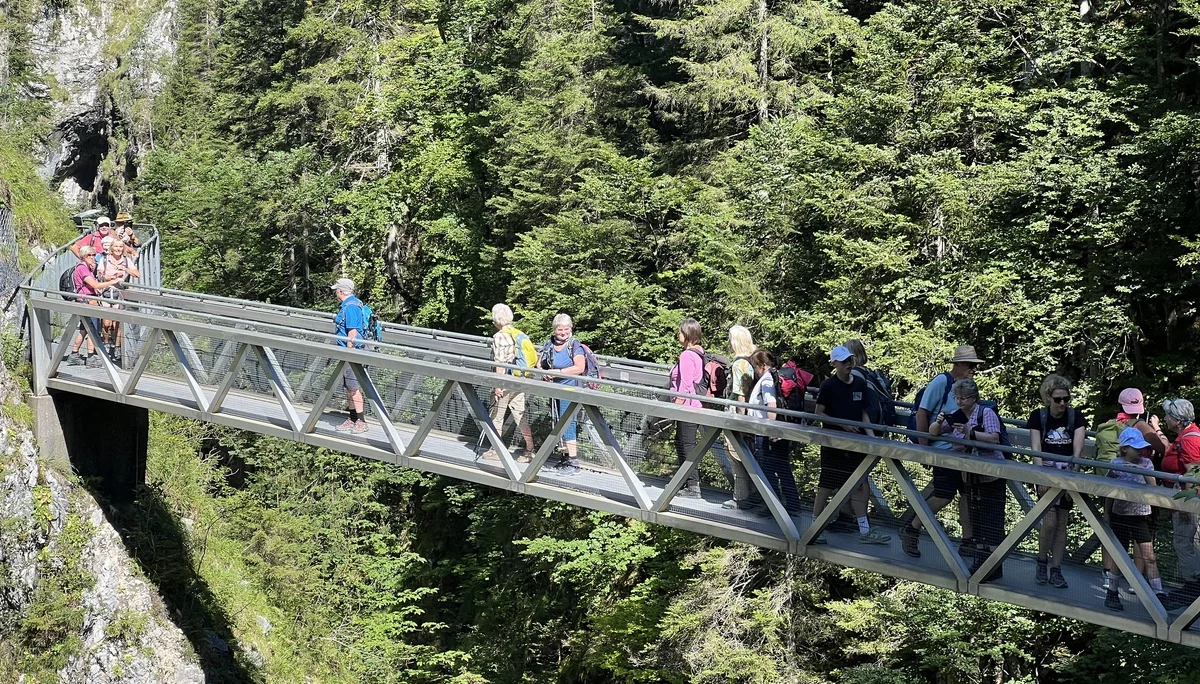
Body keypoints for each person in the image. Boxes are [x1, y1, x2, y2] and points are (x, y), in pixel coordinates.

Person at [899, 345, 983, 558]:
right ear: (958, 364)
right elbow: (922, 414)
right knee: (943, 495)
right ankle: (911, 529)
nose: (974, 369)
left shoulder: (965, 387)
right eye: (970, 365)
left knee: (966, 493)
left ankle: (967, 540)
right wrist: (924, 448)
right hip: (941, 449)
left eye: (975, 366)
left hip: (961, 450)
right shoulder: (941, 382)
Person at [929, 378, 1006, 581]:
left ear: (974, 398)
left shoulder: (986, 413)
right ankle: (981, 561)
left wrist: (970, 432)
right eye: (957, 397)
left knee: (992, 520)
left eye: (963, 398)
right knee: (976, 519)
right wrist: (937, 422)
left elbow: (994, 438)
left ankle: (995, 565)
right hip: (969, 476)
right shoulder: (956, 415)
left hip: (990, 475)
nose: (960, 401)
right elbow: (935, 433)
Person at [812, 345, 889, 545]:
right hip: (832, 442)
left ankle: (865, 530)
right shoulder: (828, 385)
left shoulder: (860, 384)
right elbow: (819, 412)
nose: (848, 364)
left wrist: (871, 437)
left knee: (857, 484)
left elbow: (864, 413)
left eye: (850, 360)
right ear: (834, 364)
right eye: (844, 361)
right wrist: (843, 424)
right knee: (826, 485)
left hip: (854, 444)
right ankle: (814, 526)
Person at [1027, 374, 1086, 589]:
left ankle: (1056, 569)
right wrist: (1040, 477)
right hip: (1047, 472)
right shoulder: (1038, 416)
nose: (1062, 404)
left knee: (1062, 524)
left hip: (1067, 473)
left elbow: (1077, 452)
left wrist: (1073, 479)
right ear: (1048, 398)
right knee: (1049, 522)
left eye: (1066, 399)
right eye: (1058, 399)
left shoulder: (1075, 417)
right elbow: (1036, 449)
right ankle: (1042, 561)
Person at [1104, 428, 1161, 612]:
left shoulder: (1147, 464)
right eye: (1135, 448)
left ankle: (1158, 594)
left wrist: (1139, 469)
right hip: (1120, 514)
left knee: (1149, 556)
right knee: (1120, 556)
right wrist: (1107, 512)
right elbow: (1107, 489)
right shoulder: (1115, 463)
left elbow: (1153, 486)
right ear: (1124, 449)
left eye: (1141, 448)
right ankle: (1112, 592)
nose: (1139, 451)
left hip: (1140, 515)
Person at [744, 350, 802, 516]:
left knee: (767, 468)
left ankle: (773, 506)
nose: (754, 370)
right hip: (780, 429)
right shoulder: (773, 377)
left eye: (755, 366)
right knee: (783, 467)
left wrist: (771, 430)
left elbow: (771, 404)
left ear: (762, 365)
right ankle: (793, 505)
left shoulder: (768, 380)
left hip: (768, 432)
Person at [1157, 399, 1200, 607]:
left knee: (1184, 542)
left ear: (1178, 420)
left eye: (1167, 415)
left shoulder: (1189, 440)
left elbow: (1193, 473)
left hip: (1188, 501)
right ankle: (1191, 586)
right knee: (1187, 542)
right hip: (1187, 498)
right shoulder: (1187, 435)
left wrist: (1185, 505)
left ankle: (1193, 588)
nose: (1165, 418)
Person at [483, 304, 536, 462]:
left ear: (496, 319)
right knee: (520, 414)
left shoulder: (500, 336)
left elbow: (500, 363)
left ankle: (496, 450)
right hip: (518, 380)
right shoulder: (518, 333)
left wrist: (498, 386)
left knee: (497, 416)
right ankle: (530, 449)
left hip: (505, 381)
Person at [721, 325, 764, 511]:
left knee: (733, 453)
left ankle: (741, 497)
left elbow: (740, 394)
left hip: (739, 414)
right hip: (756, 414)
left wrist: (739, 422)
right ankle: (757, 495)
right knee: (751, 455)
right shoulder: (755, 359)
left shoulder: (739, 363)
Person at [540, 313, 587, 474]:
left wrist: (558, 372)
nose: (563, 333)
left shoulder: (574, 345)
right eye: (560, 330)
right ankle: (565, 457)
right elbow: (540, 363)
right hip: (554, 390)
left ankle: (573, 462)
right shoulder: (549, 344)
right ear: (554, 329)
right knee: (559, 421)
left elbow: (579, 367)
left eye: (567, 329)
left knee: (568, 422)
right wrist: (544, 372)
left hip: (570, 389)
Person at [64, 246, 125, 369]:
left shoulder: (85, 268)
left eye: (93, 255)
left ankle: (74, 354)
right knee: (92, 329)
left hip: (84, 301)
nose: (92, 257)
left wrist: (108, 278)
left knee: (84, 329)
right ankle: (91, 357)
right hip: (88, 302)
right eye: (89, 255)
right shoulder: (82, 269)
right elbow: (95, 285)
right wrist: (112, 282)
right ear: (83, 257)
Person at [669, 318, 705, 498]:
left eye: (680, 332)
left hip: (687, 407)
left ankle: (693, 486)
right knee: (684, 443)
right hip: (696, 405)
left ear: (688, 335)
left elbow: (685, 384)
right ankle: (685, 483)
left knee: (687, 445)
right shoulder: (700, 353)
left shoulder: (686, 355)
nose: (678, 335)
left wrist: (676, 407)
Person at [331, 278, 369, 433]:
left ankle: (361, 421)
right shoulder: (351, 304)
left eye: (336, 290)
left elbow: (352, 333)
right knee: (349, 388)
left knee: (353, 388)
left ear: (341, 291)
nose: (335, 292)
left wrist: (349, 353)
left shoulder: (350, 307)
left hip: (352, 352)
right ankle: (352, 418)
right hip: (349, 352)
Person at [95, 236, 140, 366]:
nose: (119, 249)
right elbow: (100, 276)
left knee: (118, 323)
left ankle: (117, 347)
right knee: (107, 323)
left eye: (121, 247)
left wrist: (125, 270)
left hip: (120, 294)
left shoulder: (126, 261)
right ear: (112, 248)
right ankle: (106, 341)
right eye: (116, 247)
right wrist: (112, 278)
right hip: (107, 293)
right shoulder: (104, 260)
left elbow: (137, 274)